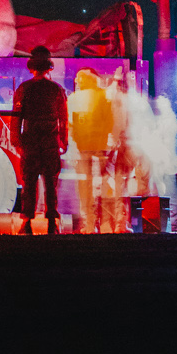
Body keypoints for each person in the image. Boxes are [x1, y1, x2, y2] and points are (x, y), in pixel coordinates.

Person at [12, 46, 69, 234]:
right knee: (51, 183)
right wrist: (63, 141)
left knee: (29, 183)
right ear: (48, 68)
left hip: (30, 142)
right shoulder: (57, 90)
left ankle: (27, 222)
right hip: (50, 142)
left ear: (31, 67)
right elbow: (63, 118)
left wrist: (16, 141)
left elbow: (16, 117)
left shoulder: (24, 89)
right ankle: (52, 222)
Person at [68, 69, 114, 232]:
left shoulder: (73, 98)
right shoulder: (103, 96)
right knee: (101, 185)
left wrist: (72, 148)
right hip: (100, 149)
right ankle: (104, 222)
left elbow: (70, 126)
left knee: (84, 187)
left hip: (83, 149)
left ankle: (88, 224)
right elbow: (109, 121)